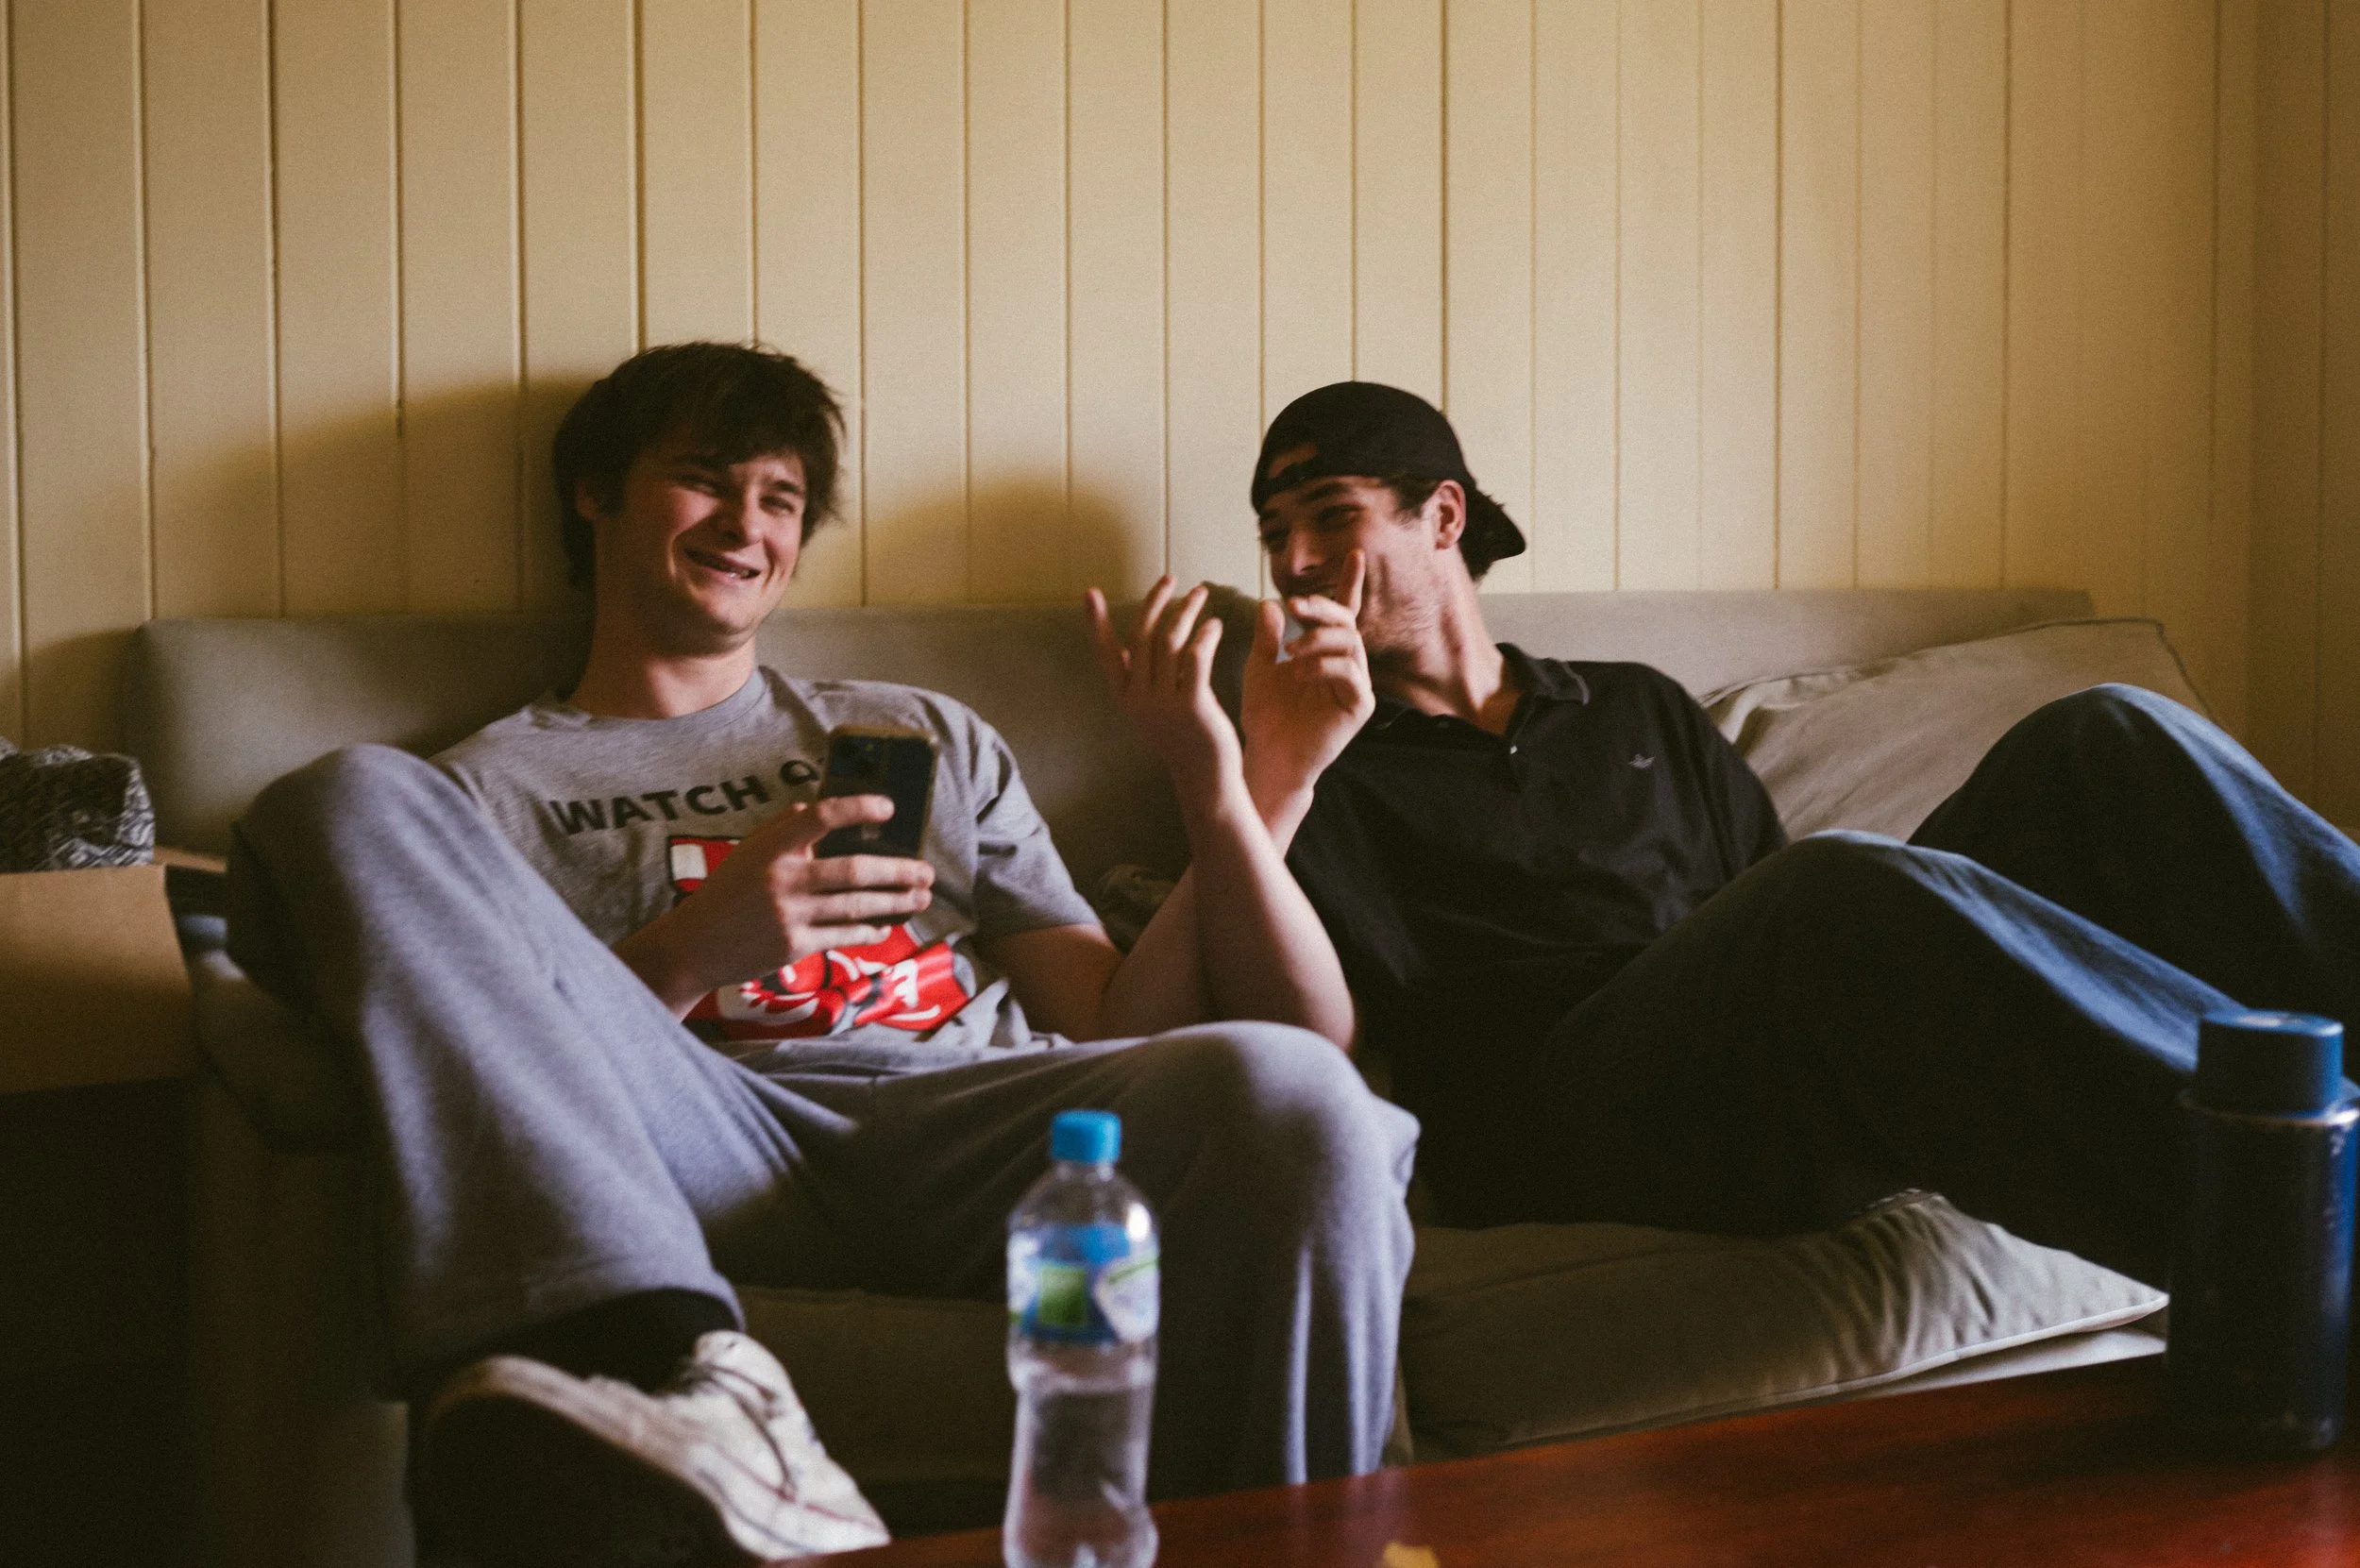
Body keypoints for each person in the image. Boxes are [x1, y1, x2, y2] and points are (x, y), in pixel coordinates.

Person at [224, 344, 1414, 1568]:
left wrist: (1253, 784)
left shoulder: (922, 732)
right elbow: (506, 1069)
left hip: (981, 1127)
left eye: (781, 499)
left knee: (1300, 1094)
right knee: (344, 798)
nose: (747, 523)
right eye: (705, 479)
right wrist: (696, 949)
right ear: (594, 493)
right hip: (704, 1129)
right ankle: (668, 1374)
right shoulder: (487, 790)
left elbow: (1114, 1021)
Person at [1239, 379, 2360, 1294]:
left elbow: (1759, 899)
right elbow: (1304, 1017)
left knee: (2104, 734)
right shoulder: (1309, 764)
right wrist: (1270, 768)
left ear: (1440, 517)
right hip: (1570, 1104)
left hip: (1747, 1039)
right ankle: (2300, 1220)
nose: (1293, 563)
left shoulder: (1632, 704)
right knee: (1833, 890)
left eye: (1329, 516)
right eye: (1274, 535)